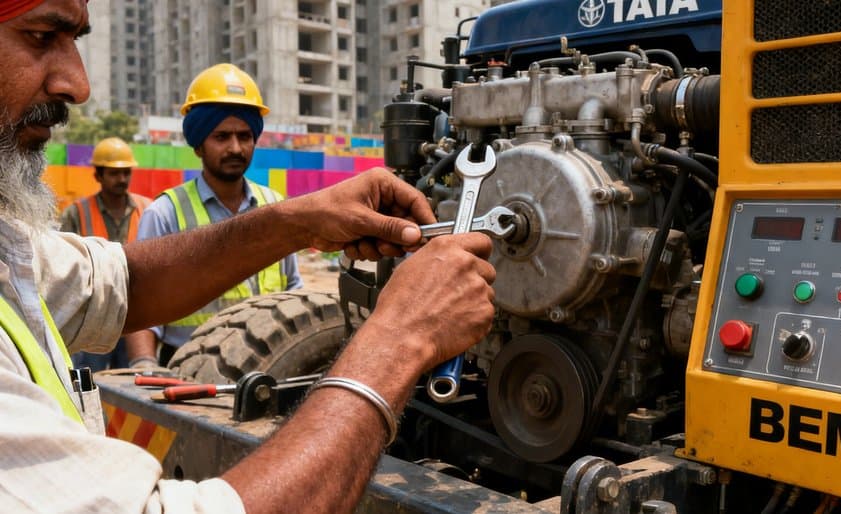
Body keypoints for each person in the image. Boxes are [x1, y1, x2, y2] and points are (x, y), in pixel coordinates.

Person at [0, 1, 495, 513]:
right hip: (187, 376)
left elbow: (116, 283)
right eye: (40, 36)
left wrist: (300, 220)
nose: (78, 84)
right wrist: (401, 337)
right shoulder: (168, 208)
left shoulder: (7, 247)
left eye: (75, 41)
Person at [126, 63, 302, 367]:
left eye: (244, 136)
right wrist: (143, 363)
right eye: (221, 137)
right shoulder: (165, 213)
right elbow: (139, 305)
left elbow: (292, 290)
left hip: (267, 366)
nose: (235, 147)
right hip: (187, 371)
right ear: (198, 146)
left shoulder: (275, 206)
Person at [58, 136, 151, 371]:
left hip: (136, 316)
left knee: (133, 389)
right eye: (113, 173)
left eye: (126, 173)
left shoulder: (148, 209)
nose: (122, 179)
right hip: (93, 318)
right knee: (88, 384)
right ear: (98, 175)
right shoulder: (76, 213)